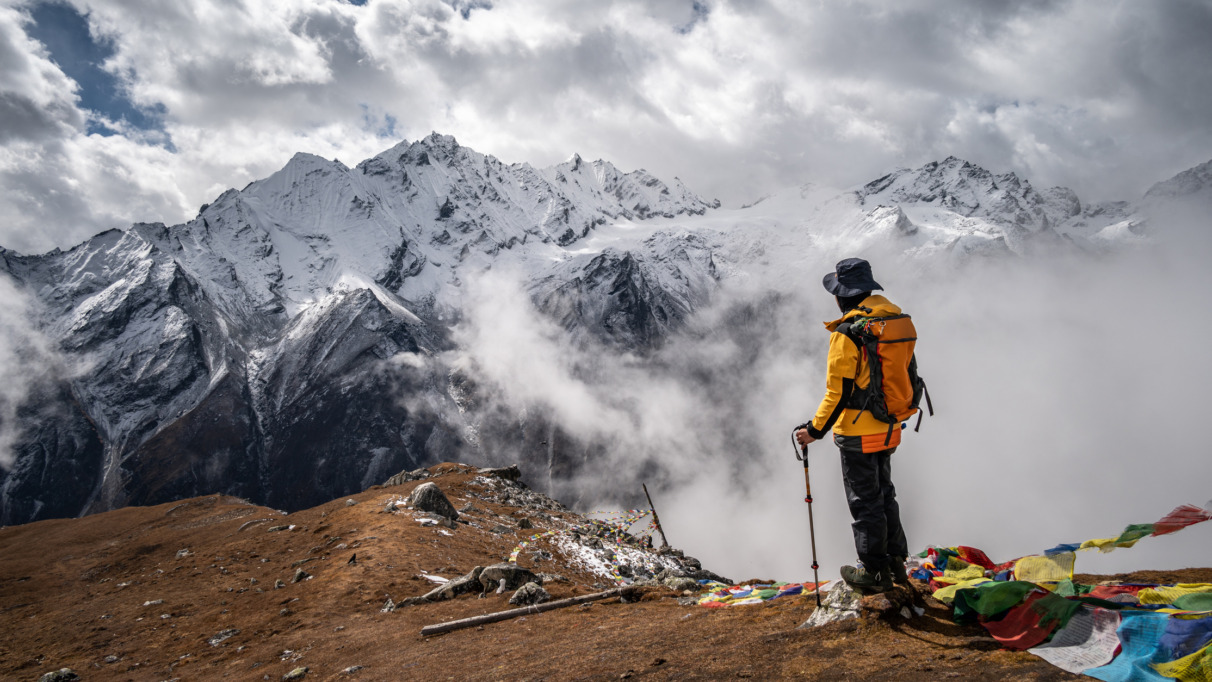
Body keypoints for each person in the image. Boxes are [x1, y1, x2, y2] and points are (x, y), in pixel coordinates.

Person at [795, 257, 916, 594]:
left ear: (841, 296)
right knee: (885, 494)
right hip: (890, 425)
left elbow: (838, 392)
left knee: (865, 502)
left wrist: (814, 431)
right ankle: (896, 562)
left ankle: (874, 572)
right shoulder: (893, 321)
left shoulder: (847, 333)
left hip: (858, 433)